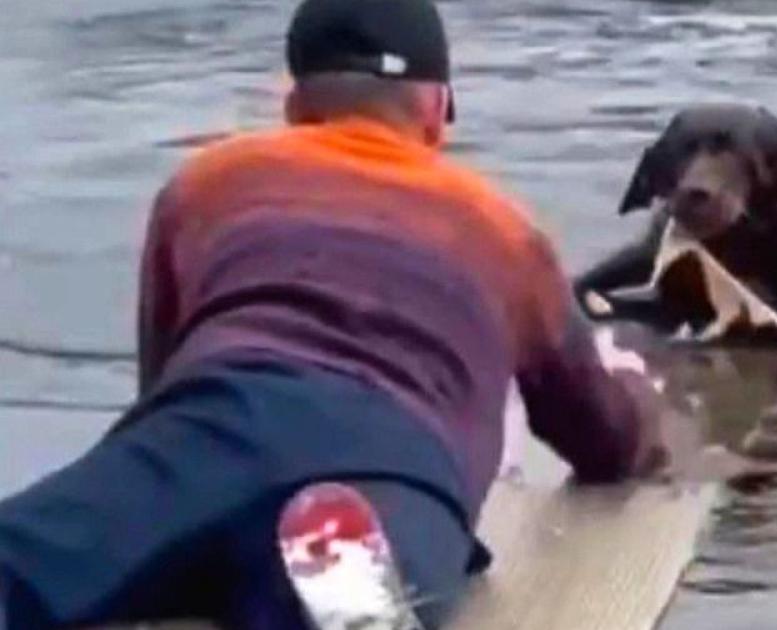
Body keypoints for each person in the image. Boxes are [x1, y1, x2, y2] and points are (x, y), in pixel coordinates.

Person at [0, 0, 670, 627]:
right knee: (381, 566)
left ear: (294, 104)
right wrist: (648, 410)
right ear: (437, 110)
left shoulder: (207, 181)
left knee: (38, 558)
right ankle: (328, 576)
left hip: (212, 421)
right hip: (393, 453)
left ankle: (214, 548)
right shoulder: (501, 230)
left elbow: (162, 371)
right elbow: (602, 437)